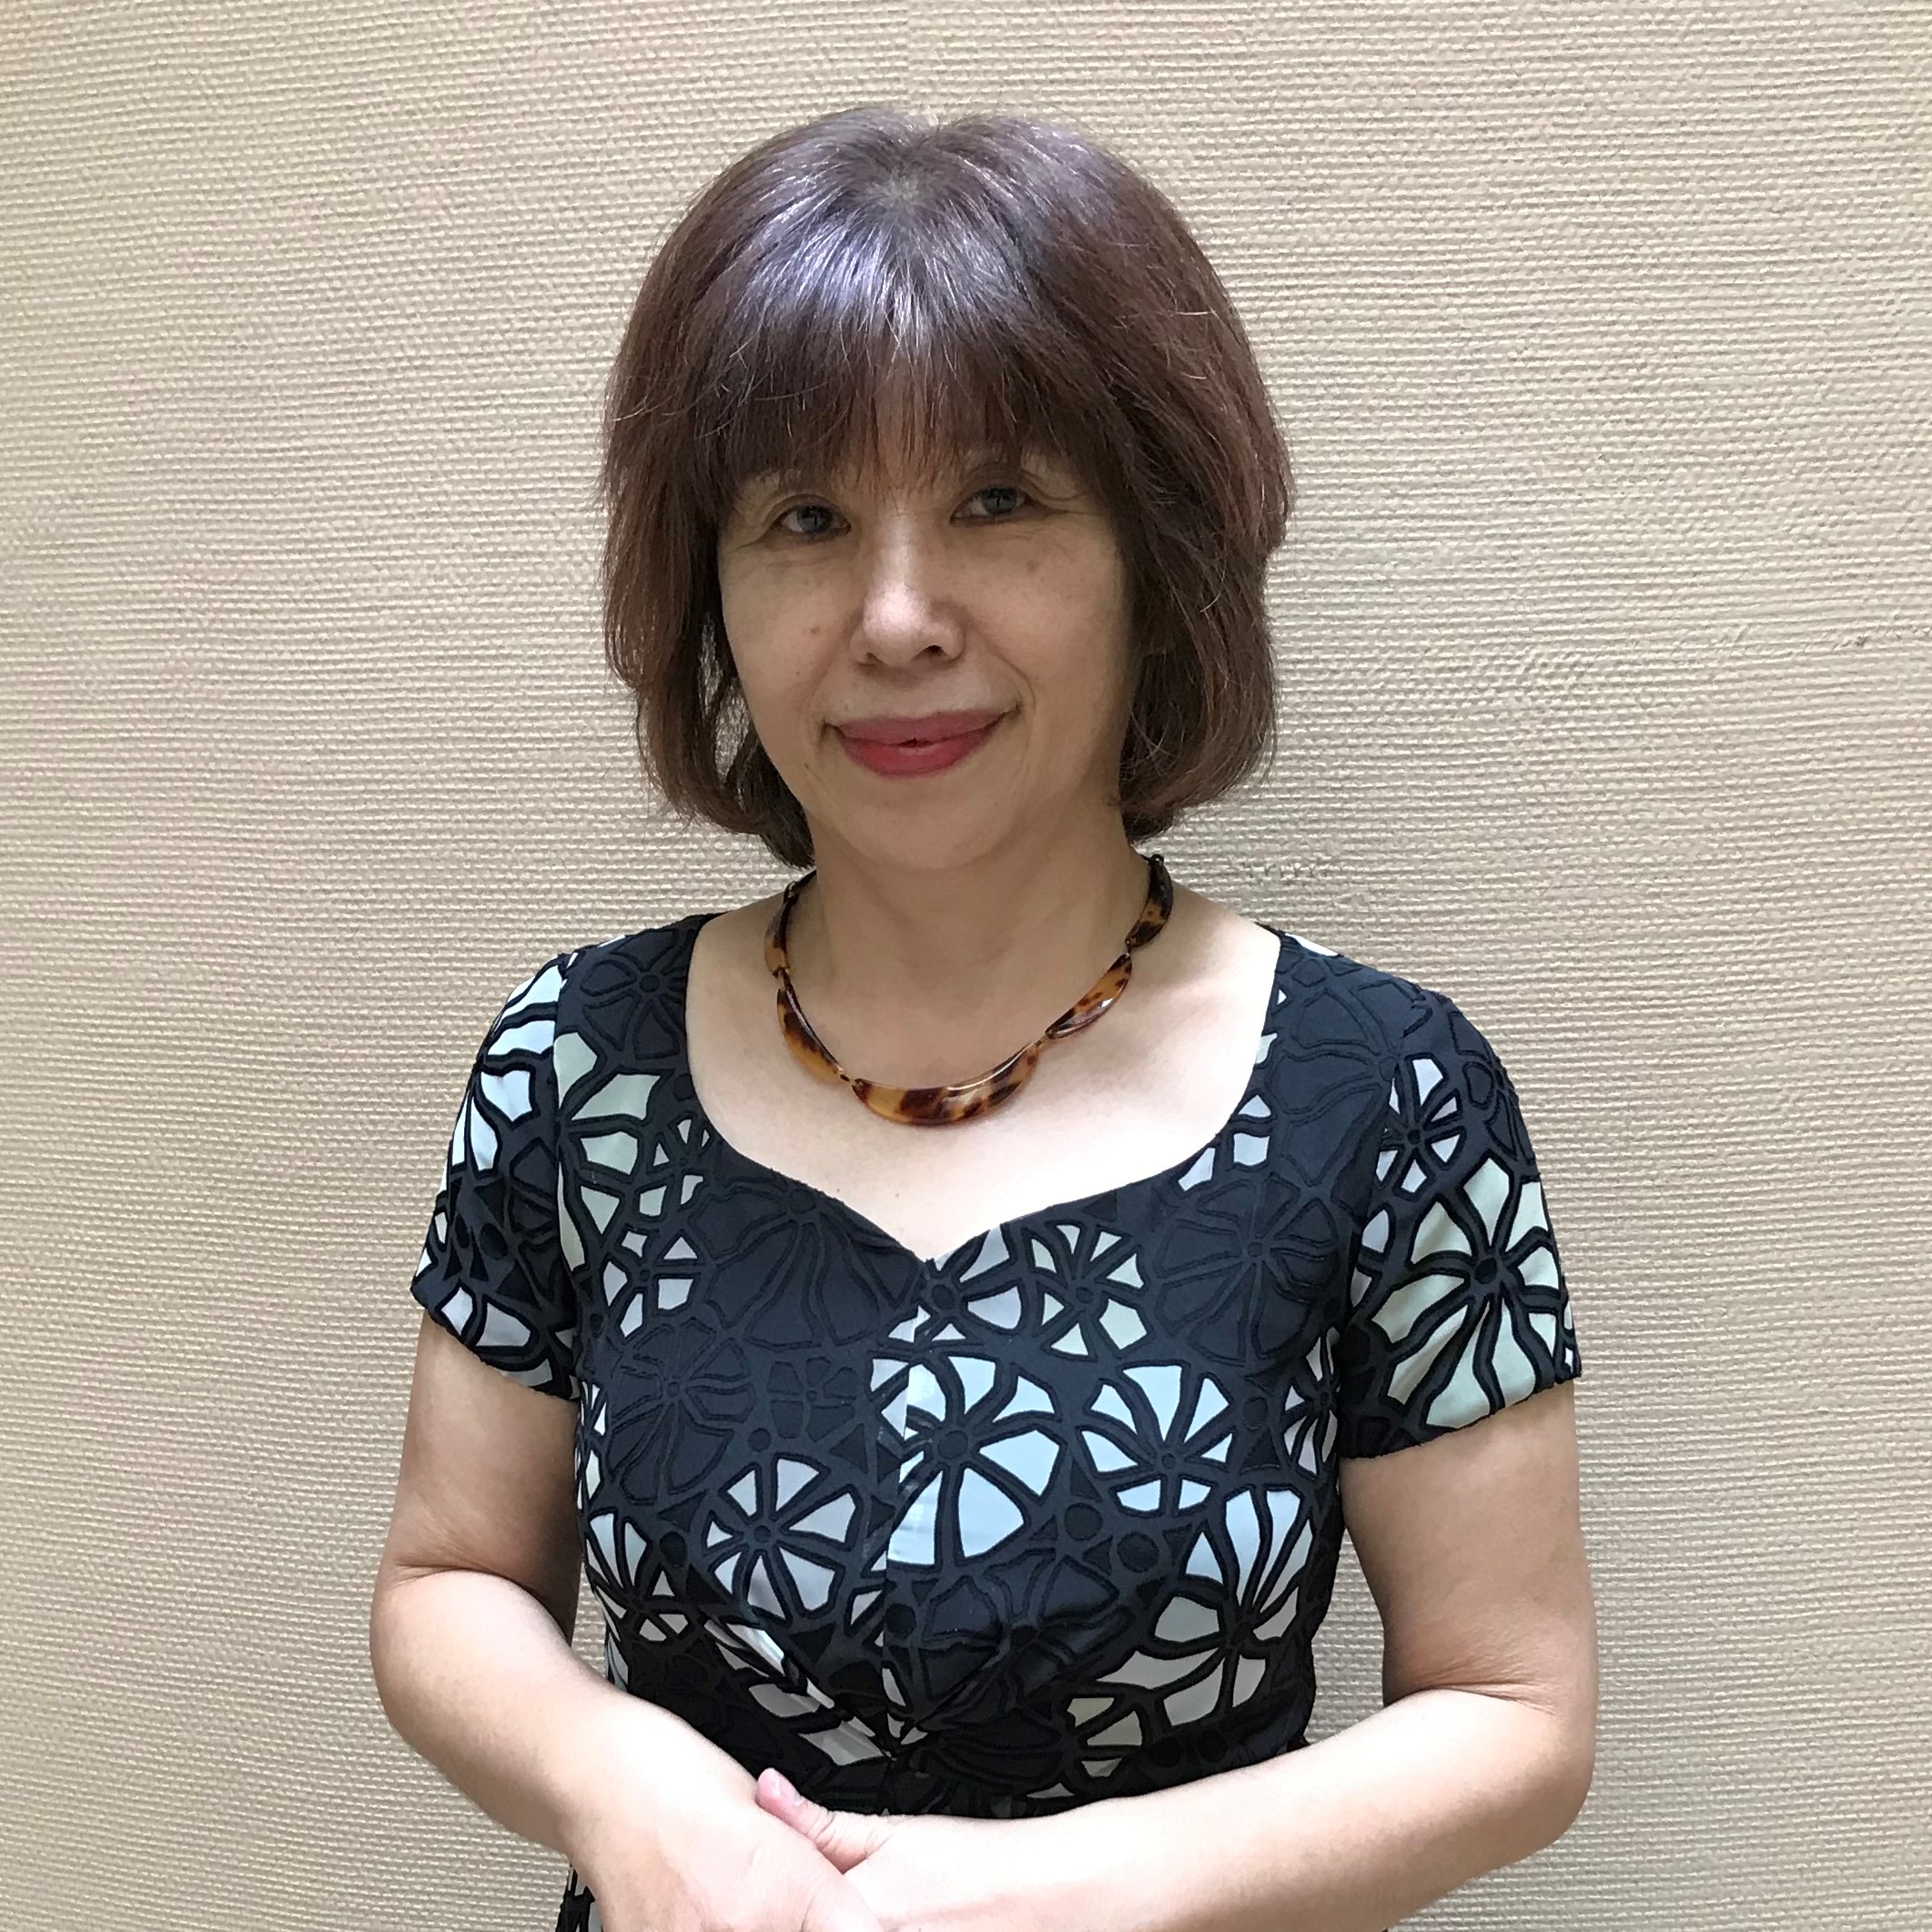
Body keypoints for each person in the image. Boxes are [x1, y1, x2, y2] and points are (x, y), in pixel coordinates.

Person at [369, 105, 1594, 1932]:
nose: (895, 617)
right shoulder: (576, 1065)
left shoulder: (1384, 1094)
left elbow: (1515, 1711)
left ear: (1156, 558)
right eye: (806, 519)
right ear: (712, 587)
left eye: (998, 502)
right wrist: (618, 1780)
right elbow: (449, 1580)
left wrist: (1068, 1893)